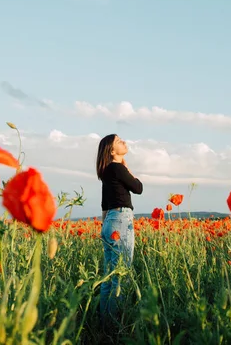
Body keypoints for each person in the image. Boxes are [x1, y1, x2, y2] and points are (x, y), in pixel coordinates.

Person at [96, 134, 143, 322]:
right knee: (121, 273)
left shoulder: (106, 171)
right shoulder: (117, 167)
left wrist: (104, 228)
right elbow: (138, 188)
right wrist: (126, 167)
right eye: (119, 141)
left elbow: (104, 204)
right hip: (121, 219)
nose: (124, 141)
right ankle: (117, 323)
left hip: (109, 222)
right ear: (112, 151)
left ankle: (104, 321)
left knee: (109, 275)